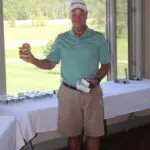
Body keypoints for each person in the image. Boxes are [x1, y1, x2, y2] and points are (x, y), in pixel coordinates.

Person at [19, 0, 110, 149]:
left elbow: (105, 65)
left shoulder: (98, 38)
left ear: (87, 16)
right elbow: (49, 63)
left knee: (94, 134)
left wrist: (96, 79)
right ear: (70, 17)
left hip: (91, 93)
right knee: (73, 135)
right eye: (74, 14)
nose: (77, 18)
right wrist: (33, 60)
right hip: (69, 94)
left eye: (81, 14)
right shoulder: (61, 39)